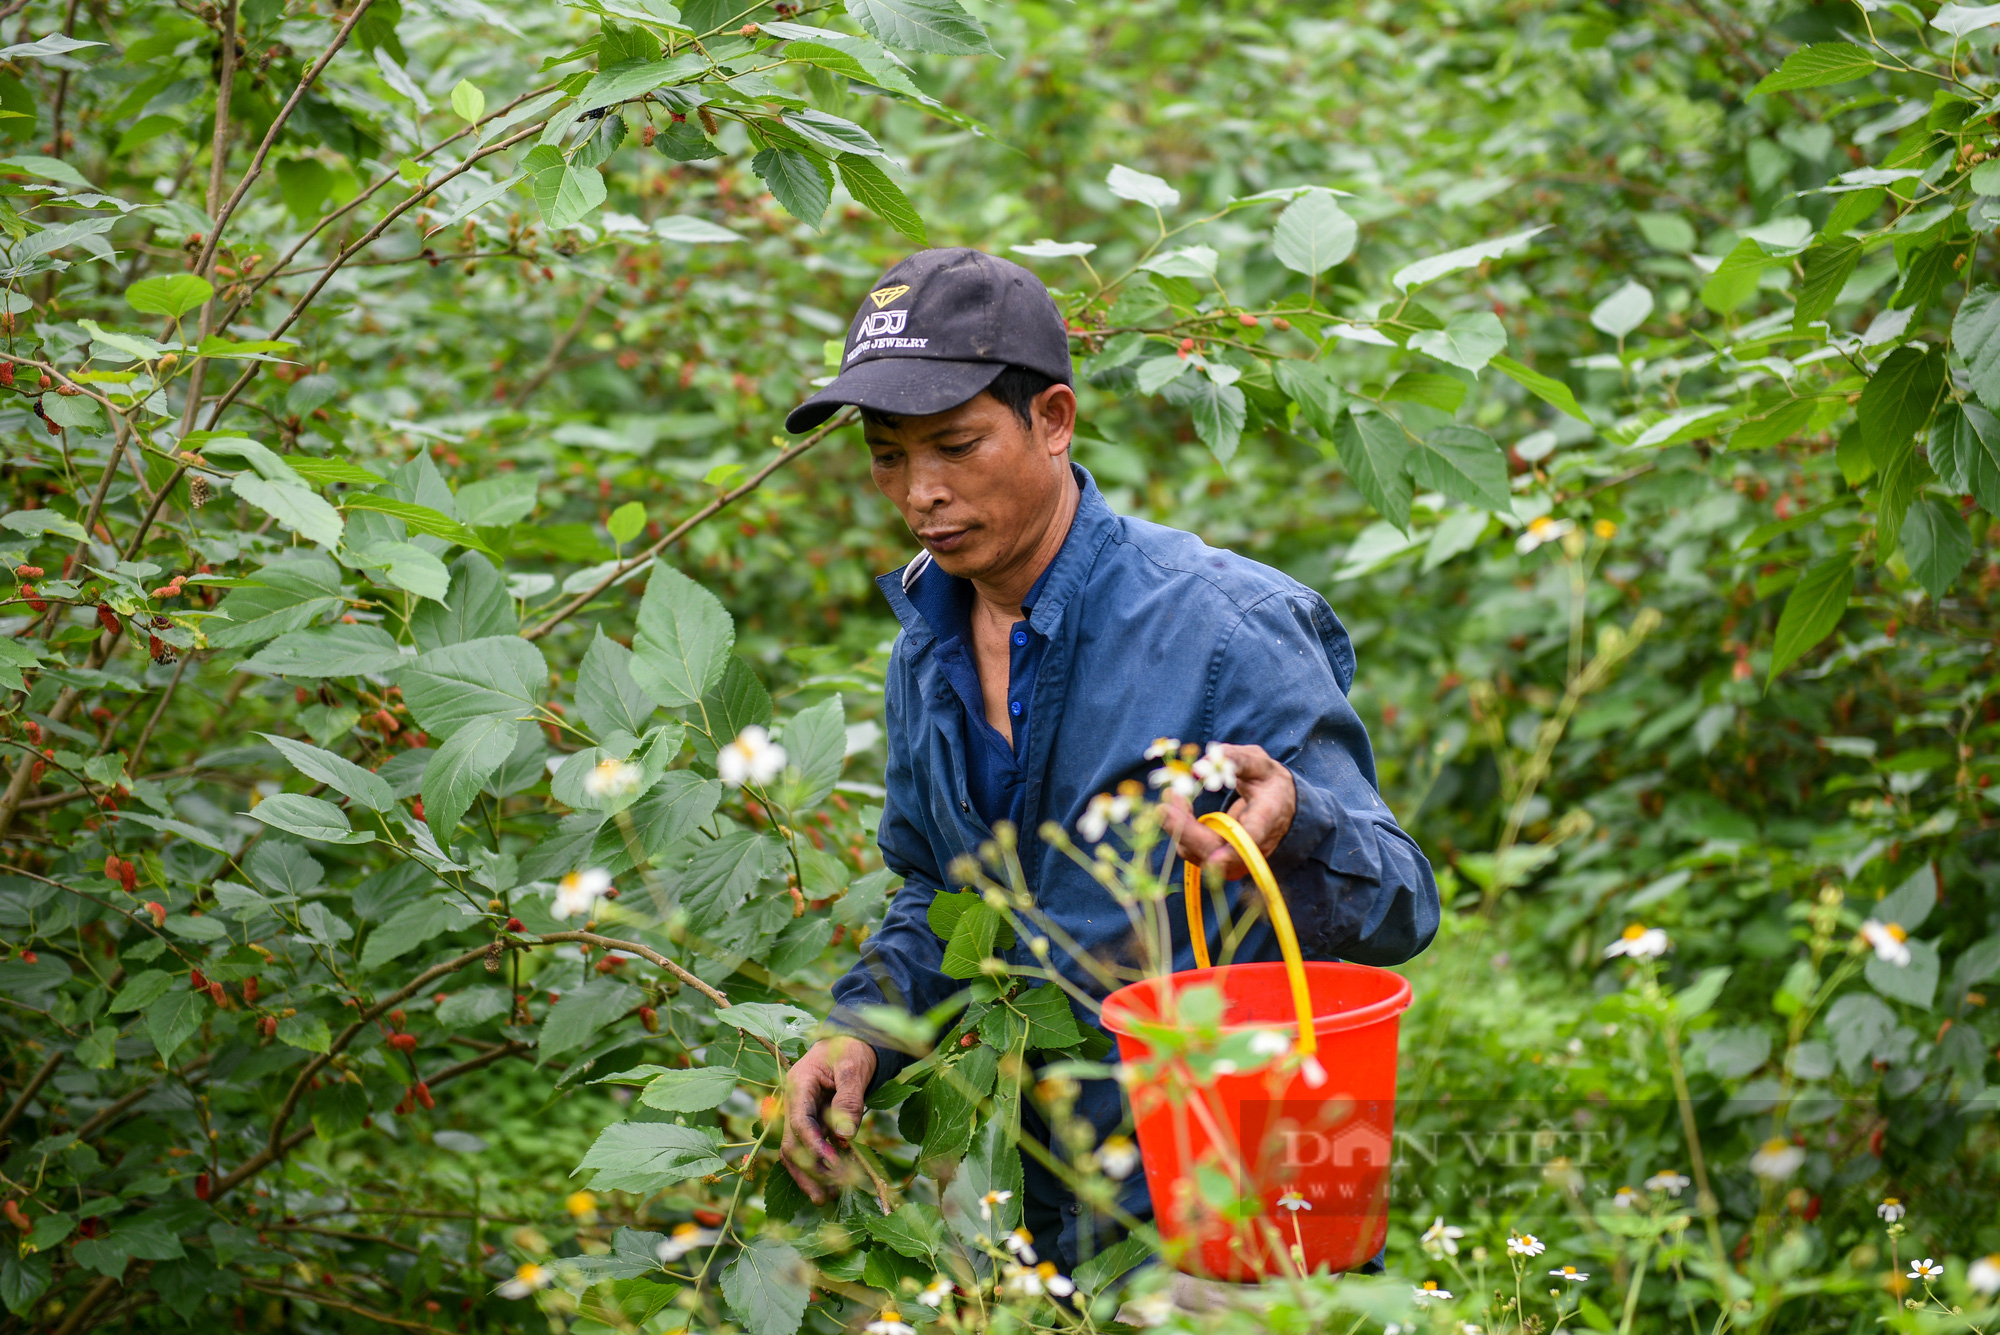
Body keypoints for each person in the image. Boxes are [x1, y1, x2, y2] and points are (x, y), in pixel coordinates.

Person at [778, 247, 1439, 1271]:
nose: (920, 493)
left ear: (1052, 421)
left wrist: (1296, 817)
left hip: (1235, 1218)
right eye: (887, 455)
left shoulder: (1228, 629)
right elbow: (939, 894)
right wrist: (860, 1032)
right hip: (1032, 1221)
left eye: (955, 445)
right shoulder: (926, 643)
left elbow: (1402, 903)